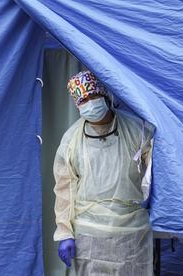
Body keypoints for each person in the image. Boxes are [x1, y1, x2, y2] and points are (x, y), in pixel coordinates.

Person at [53, 71, 154, 275]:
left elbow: (157, 173)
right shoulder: (71, 140)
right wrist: (64, 232)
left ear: (105, 95)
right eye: (83, 100)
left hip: (131, 233)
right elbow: (65, 190)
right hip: (89, 233)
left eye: (93, 96)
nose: (89, 103)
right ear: (77, 105)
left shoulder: (139, 130)